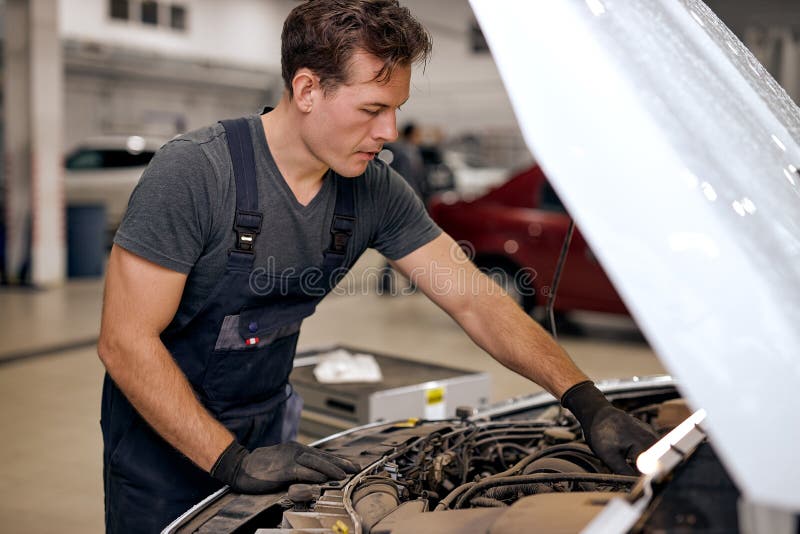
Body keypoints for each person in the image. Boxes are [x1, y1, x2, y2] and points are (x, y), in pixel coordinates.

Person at [97, 1, 657, 532]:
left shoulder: (374, 191)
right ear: (308, 88)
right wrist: (229, 461)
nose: (389, 132)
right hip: (163, 450)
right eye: (372, 109)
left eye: (396, 111)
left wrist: (587, 403)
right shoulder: (196, 174)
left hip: (269, 433)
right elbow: (125, 341)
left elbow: (475, 299)